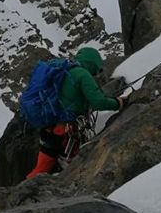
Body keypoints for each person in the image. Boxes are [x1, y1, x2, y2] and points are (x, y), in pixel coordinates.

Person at [26, 46, 123, 177]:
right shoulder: (83, 74)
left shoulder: (65, 70)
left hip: (49, 126)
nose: (96, 74)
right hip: (66, 130)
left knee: (43, 165)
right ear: (92, 63)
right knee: (71, 166)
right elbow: (98, 102)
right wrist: (118, 103)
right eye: (97, 69)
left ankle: (26, 186)